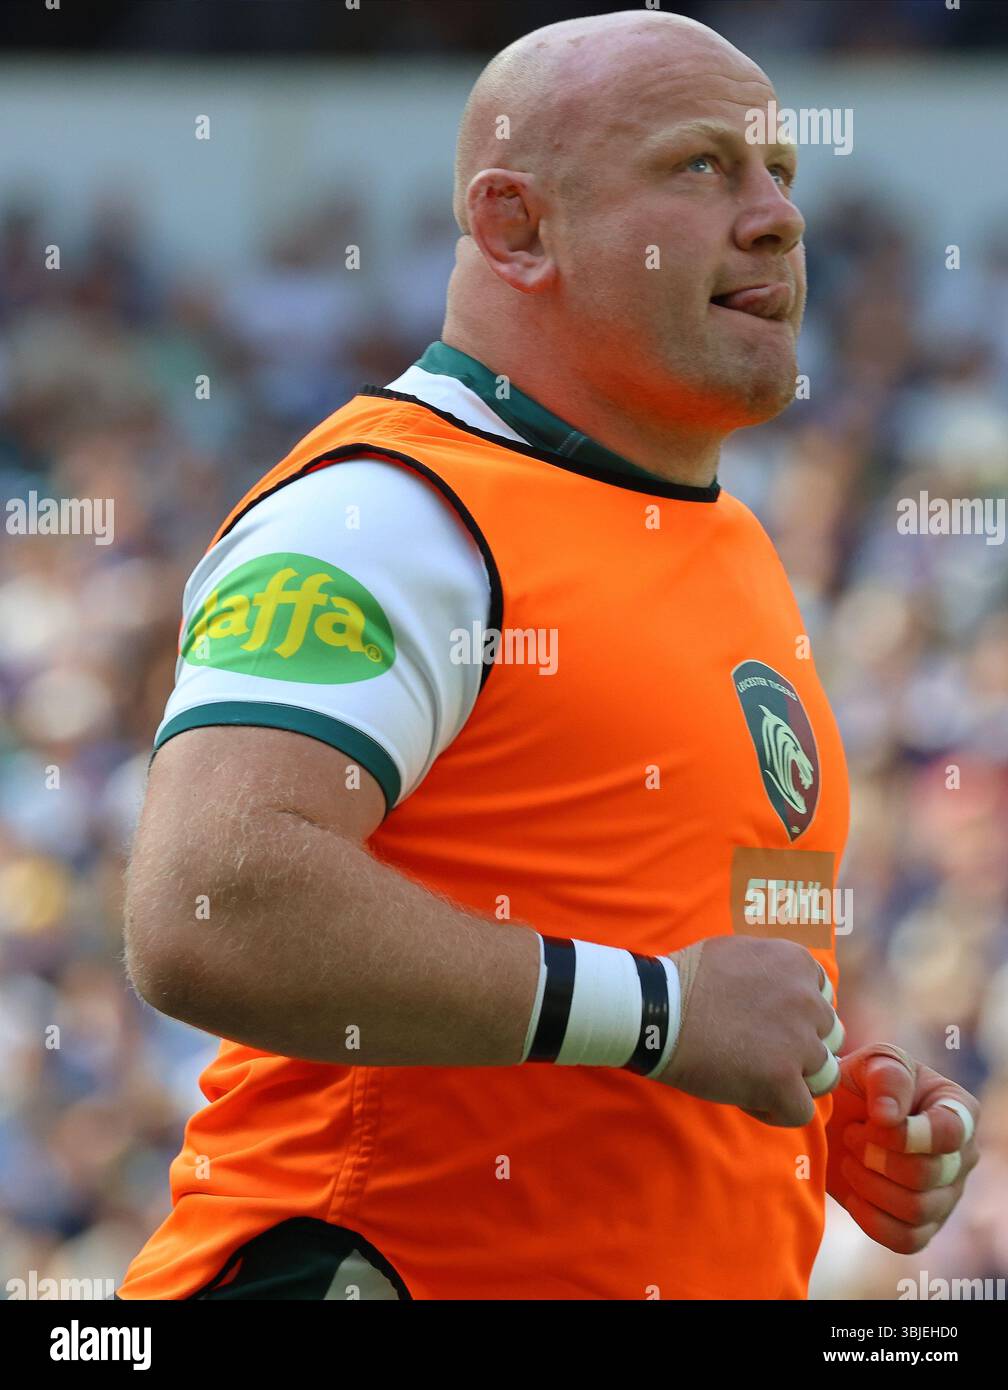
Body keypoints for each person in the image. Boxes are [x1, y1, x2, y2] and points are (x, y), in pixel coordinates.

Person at [117, 10, 979, 1300]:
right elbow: (208, 905)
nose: (778, 217)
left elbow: (696, 965)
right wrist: (667, 1017)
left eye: (781, 174)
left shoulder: (733, 543)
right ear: (517, 228)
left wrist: (826, 1109)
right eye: (701, 168)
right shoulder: (386, 511)